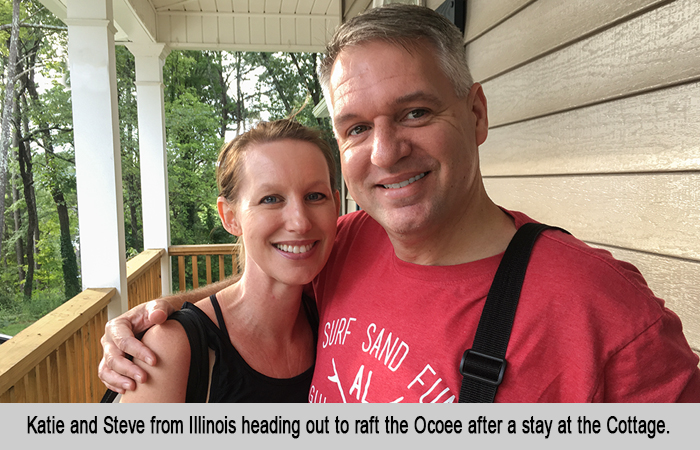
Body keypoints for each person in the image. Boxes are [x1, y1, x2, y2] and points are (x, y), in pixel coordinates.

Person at [100, 4, 700, 402]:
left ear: (476, 113)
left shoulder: (607, 314)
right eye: (356, 128)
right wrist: (165, 317)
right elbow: (260, 296)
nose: (386, 152)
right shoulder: (345, 245)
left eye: (416, 112)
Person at [119, 119, 340, 402]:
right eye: (271, 199)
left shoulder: (330, 321)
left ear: (335, 206)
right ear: (230, 217)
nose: (300, 222)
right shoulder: (174, 347)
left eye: (314, 196)